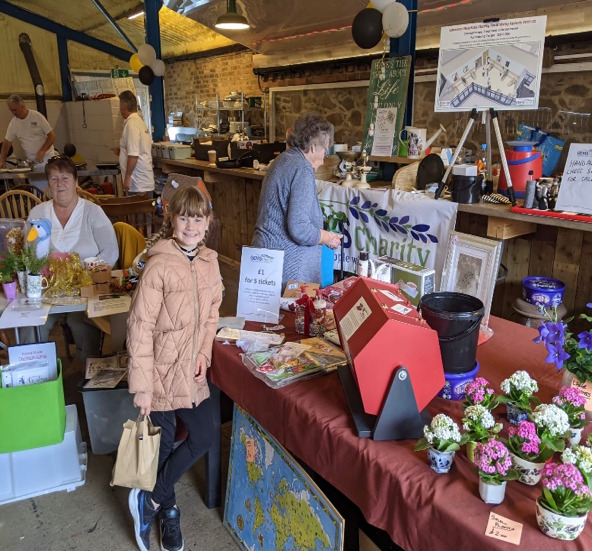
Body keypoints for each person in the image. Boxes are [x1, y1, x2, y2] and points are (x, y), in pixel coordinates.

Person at [126, 186, 223, 551]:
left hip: (190, 370)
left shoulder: (210, 261)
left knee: (205, 435)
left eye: (198, 219)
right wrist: (143, 387)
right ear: (172, 219)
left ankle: (148, 498)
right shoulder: (159, 265)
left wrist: (203, 353)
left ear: (208, 222)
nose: (191, 225)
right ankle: (167, 510)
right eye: (184, 217)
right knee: (164, 446)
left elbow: (211, 314)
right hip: (159, 374)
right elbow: (139, 326)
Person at [23, 155, 118, 360]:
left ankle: (86, 375)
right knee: (31, 324)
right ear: (48, 184)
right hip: (46, 292)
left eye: (65, 178)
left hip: (85, 290)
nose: (60, 184)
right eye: (54, 179)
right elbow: (29, 254)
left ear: (76, 182)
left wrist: (87, 274)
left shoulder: (93, 212)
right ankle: (37, 376)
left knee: (81, 323)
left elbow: (111, 252)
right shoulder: (38, 213)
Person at [251, 111, 342, 288]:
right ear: (314, 147)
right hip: (286, 267)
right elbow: (299, 228)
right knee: (289, 315)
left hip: (268, 258)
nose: (323, 160)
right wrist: (326, 237)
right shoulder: (302, 167)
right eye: (325, 151)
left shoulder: (284, 159)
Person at [0, 95, 56, 189]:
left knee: (51, 191)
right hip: (33, 164)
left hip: (47, 160)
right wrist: (2, 159)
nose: (13, 113)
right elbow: (7, 142)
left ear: (22, 106)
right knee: (37, 193)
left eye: (15, 110)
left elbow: (52, 136)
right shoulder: (14, 123)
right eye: (11, 110)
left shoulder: (37, 116)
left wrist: (42, 150)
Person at [114, 90, 155, 197]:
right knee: (144, 212)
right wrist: (123, 150)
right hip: (142, 180)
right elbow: (137, 149)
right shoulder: (140, 122)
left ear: (123, 107)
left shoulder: (131, 125)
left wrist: (127, 177)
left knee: (139, 213)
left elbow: (133, 155)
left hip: (137, 182)